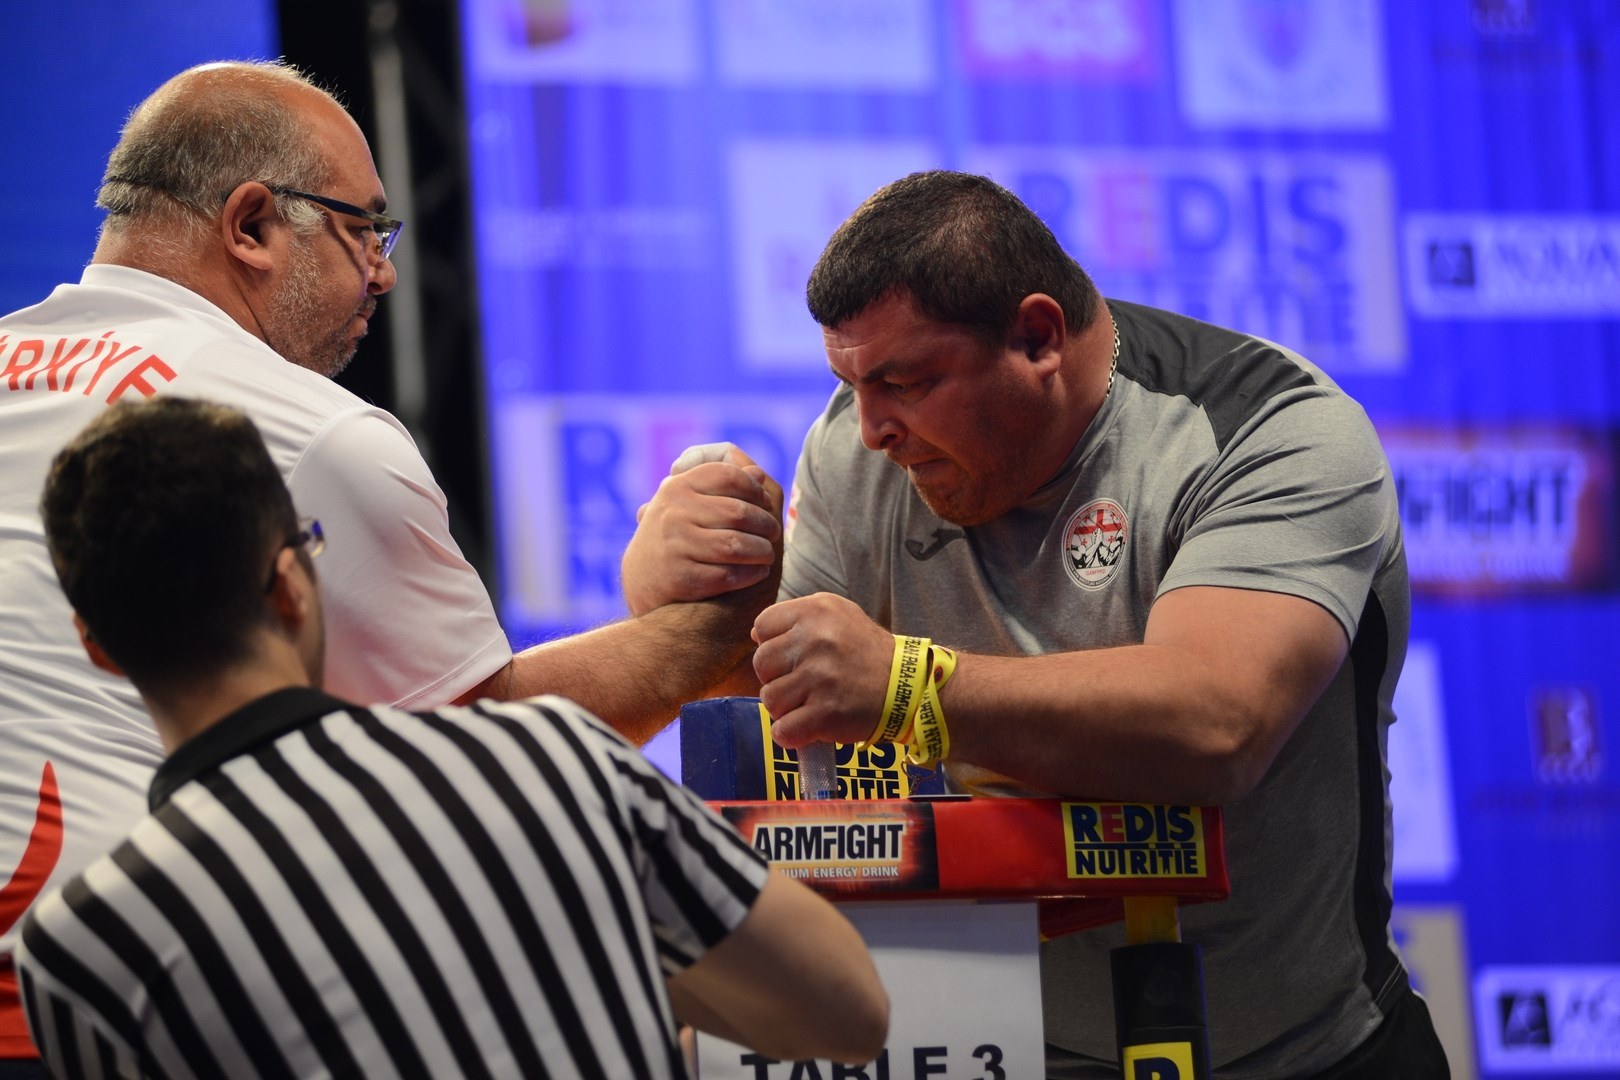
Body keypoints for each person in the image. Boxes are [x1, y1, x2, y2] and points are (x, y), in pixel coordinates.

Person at [0, 60, 782, 1071]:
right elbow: (472, 754)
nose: (385, 271)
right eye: (363, 229)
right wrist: (725, 624)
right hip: (134, 1016)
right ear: (251, 226)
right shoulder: (308, 433)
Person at [623, 171, 1449, 1078]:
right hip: (1018, 1048)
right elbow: (795, 695)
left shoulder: (1270, 433)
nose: (870, 432)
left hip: (1306, 1054)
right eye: (849, 383)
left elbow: (1218, 725)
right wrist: (669, 590)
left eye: (904, 381)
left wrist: (907, 685)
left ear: (1037, 336)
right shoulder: (860, 455)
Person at [14, 397, 886, 1079]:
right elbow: (849, 1012)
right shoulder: (553, 755)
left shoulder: (80, 944)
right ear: (291, 585)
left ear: (97, 645)